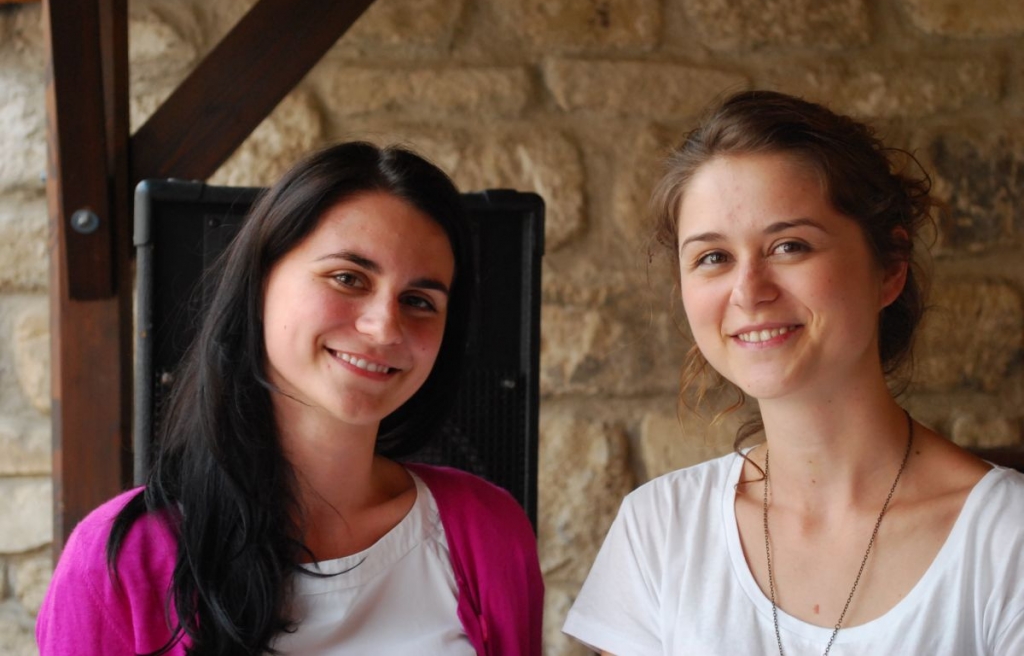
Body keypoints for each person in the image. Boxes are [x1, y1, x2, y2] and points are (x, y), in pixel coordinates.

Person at [563, 90, 1024, 655]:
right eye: (713, 257)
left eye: (789, 246)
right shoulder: (660, 529)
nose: (748, 291)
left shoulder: (1007, 539)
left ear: (890, 268)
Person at [37, 142, 543, 655]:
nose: (384, 328)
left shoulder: (489, 532)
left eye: (419, 301)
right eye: (348, 278)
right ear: (260, 284)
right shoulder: (118, 561)